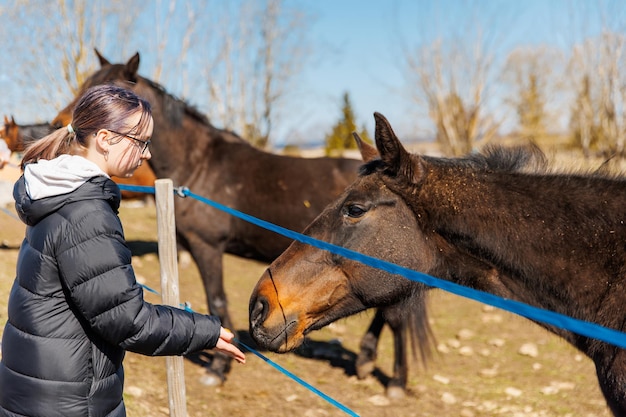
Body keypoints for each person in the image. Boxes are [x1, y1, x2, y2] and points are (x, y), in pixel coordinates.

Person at [0, 84, 245, 417]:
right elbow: (128, 321)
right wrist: (206, 331)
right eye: (141, 142)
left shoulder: (55, 191)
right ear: (105, 138)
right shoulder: (86, 213)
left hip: (39, 387)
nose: (147, 154)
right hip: (69, 399)